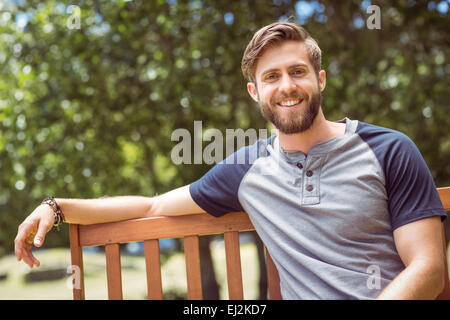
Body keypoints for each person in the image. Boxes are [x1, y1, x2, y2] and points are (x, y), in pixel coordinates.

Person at [14, 22, 447, 300]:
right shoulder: (248, 169)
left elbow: (428, 268)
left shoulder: (389, 148)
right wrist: (56, 207)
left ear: (320, 79)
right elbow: (152, 206)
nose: (287, 86)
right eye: (271, 77)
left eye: (297, 71)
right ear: (255, 92)